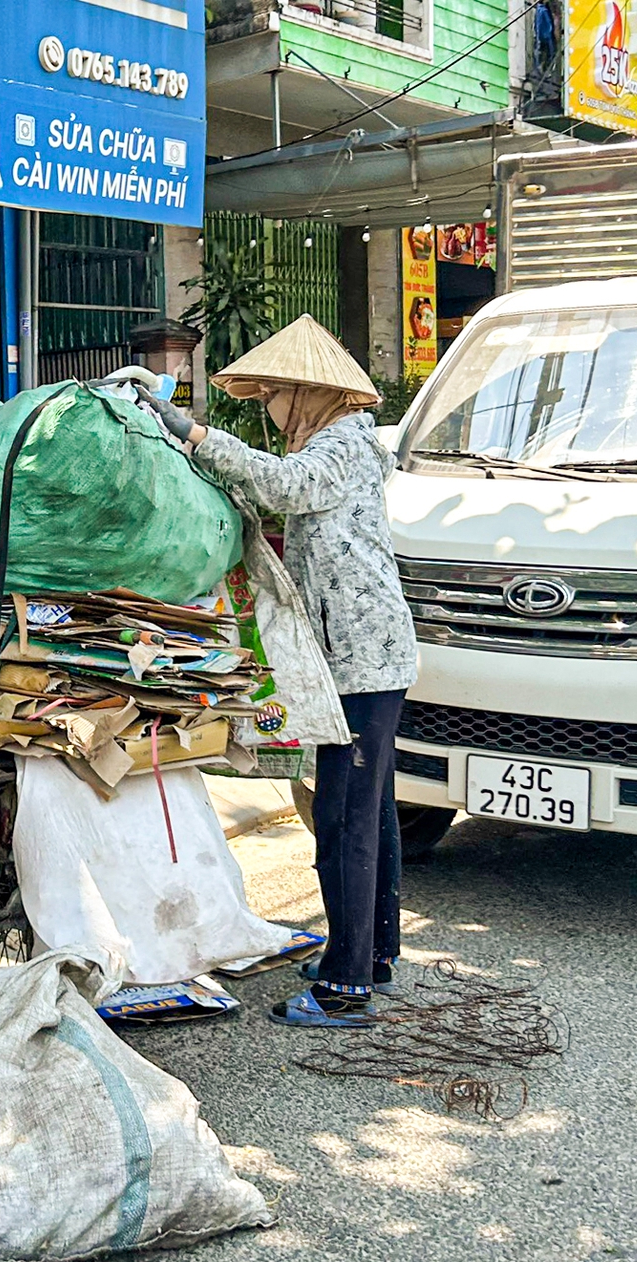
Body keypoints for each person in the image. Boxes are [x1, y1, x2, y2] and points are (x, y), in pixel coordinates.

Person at [139, 315, 421, 1027]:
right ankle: (372, 952)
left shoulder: (344, 445)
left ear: (307, 393)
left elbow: (286, 485)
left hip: (364, 661)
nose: (268, 408)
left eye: (273, 395)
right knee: (370, 810)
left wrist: (195, 435)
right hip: (359, 658)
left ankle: (345, 987)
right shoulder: (339, 444)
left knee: (344, 815)